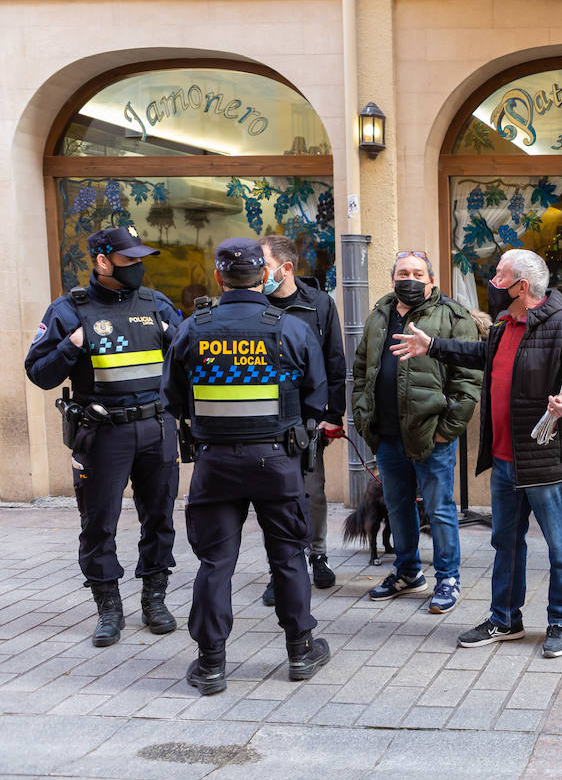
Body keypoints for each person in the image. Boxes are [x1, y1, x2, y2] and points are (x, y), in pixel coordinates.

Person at [390, 248, 562, 657]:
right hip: (507, 462)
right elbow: (482, 356)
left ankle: (561, 621)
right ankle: (505, 619)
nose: (492, 283)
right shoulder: (505, 325)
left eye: (499, 277)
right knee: (506, 544)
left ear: (521, 287)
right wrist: (432, 345)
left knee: (561, 548)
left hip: (547, 461)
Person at [163, 238, 330, 695]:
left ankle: (211, 664)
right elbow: (317, 397)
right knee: (289, 558)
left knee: (215, 562)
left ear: (218, 277)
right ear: (265, 276)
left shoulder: (191, 328)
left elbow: (173, 399)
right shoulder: (290, 329)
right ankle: (300, 652)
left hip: (215, 464)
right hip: (277, 462)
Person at [25, 225, 181, 648]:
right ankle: (108, 608)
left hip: (157, 429)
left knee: (160, 518)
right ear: (102, 261)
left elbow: (185, 367)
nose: (139, 268)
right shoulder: (68, 310)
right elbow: (39, 374)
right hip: (102, 432)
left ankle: (154, 598)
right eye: (130, 260)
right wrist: (71, 346)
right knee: (98, 523)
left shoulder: (158, 305)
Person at [351, 251, 481, 615]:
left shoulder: (454, 317)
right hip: (388, 434)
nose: (410, 278)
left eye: (418, 272)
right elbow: (362, 369)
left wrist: (447, 430)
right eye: (403, 272)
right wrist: (364, 418)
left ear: (432, 280)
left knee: (439, 509)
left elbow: (468, 379)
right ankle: (408, 572)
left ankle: (447, 578)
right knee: (397, 507)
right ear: (393, 279)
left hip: (430, 434)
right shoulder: (380, 314)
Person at [256, 235, 348, 606]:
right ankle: (278, 568)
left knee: (313, 491)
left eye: (262, 264)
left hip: (307, 419)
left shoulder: (319, 304)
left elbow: (335, 362)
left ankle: (318, 555)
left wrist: (332, 416)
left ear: (286, 267)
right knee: (272, 498)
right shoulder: (253, 304)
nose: (257, 273)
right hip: (264, 421)